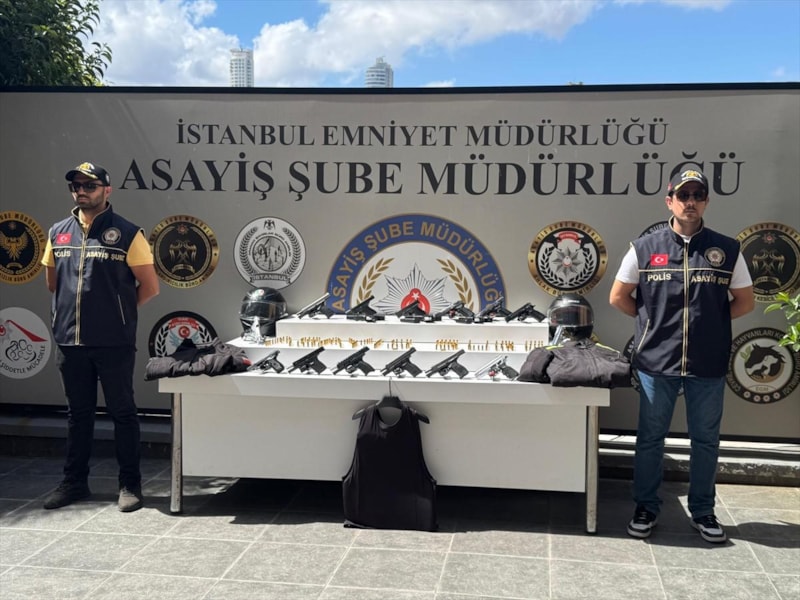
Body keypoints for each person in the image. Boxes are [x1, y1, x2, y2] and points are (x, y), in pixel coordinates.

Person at [609, 168, 754, 543]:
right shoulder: (644, 248)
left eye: (697, 195)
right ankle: (646, 507)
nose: (690, 202)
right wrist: (653, 325)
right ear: (669, 201)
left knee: (705, 442)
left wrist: (712, 326)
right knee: (650, 440)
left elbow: (744, 302)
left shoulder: (727, 250)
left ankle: (703, 511)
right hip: (656, 364)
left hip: (707, 363)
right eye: (683, 195)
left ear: (706, 201)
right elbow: (619, 297)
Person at [41, 162, 160, 512]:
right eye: (76, 185)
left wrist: (117, 314)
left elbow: (150, 287)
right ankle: (74, 483)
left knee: (123, 413)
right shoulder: (57, 232)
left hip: (113, 342)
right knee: (78, 415)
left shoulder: (127, 233)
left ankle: (130, 485)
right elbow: (53, 283)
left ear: (107, 190)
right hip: (70, 341)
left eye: (89, 185)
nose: (82, 191)